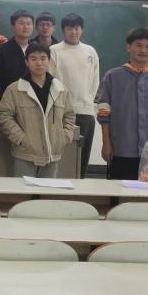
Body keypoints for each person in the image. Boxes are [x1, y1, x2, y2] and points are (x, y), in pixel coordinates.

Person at [97, 28, 148, 181]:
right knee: (119, 192)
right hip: (122, 149)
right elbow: (104, 114)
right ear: (129, 47)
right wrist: (106, 143)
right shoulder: (112, 77)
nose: (143, 50)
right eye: (138, 45)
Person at [0, 43, 76, 178]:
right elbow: (4, 115)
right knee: (23, 190)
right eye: (33, 59)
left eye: (43, 58)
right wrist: (21, 138)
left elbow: (69, 115)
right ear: (26, 62)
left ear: (49, 61)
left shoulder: (60, 89)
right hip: (25, 153)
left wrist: (64, 137)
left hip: (52, 153)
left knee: (47, 190)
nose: (39, 63)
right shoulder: (15, 89)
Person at [49, 13, 100, 178]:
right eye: (69, 28)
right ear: (63, 30)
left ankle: (80, 187)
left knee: (82, 158)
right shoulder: (54, 50)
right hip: (61, 112)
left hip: (86, 111)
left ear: (82, 30)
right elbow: (51, 80)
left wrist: (88, 100)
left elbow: (95, 80)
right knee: (61, 157)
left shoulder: (90, 51)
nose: (73, 32)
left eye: (77, 28)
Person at [0, 10, 34, 98]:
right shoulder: (1, 51)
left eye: (29, 23)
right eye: (21, 23)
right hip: (10, 99)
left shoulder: (37, 49)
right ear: (13, 27)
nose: (26, 27)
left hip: (34, 99)